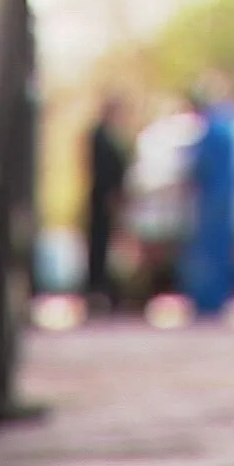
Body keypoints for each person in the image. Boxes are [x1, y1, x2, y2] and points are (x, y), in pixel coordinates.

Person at [181, 81, 234, 321]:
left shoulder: (212, 132)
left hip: (212, 201)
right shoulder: (225, 129)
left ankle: (207, 301)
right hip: (223, 200)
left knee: (209, 255)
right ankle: (215, 300)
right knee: (221, 253)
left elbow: (200, 166)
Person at [84, 95, 130, 312]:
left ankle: (105, 288)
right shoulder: (100, 137)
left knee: (108, 244)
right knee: (99, 243)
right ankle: (97, 289)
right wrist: (110, 195)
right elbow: (102, 168)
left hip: (110, 196)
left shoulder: (112, 136)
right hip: (102, 196)